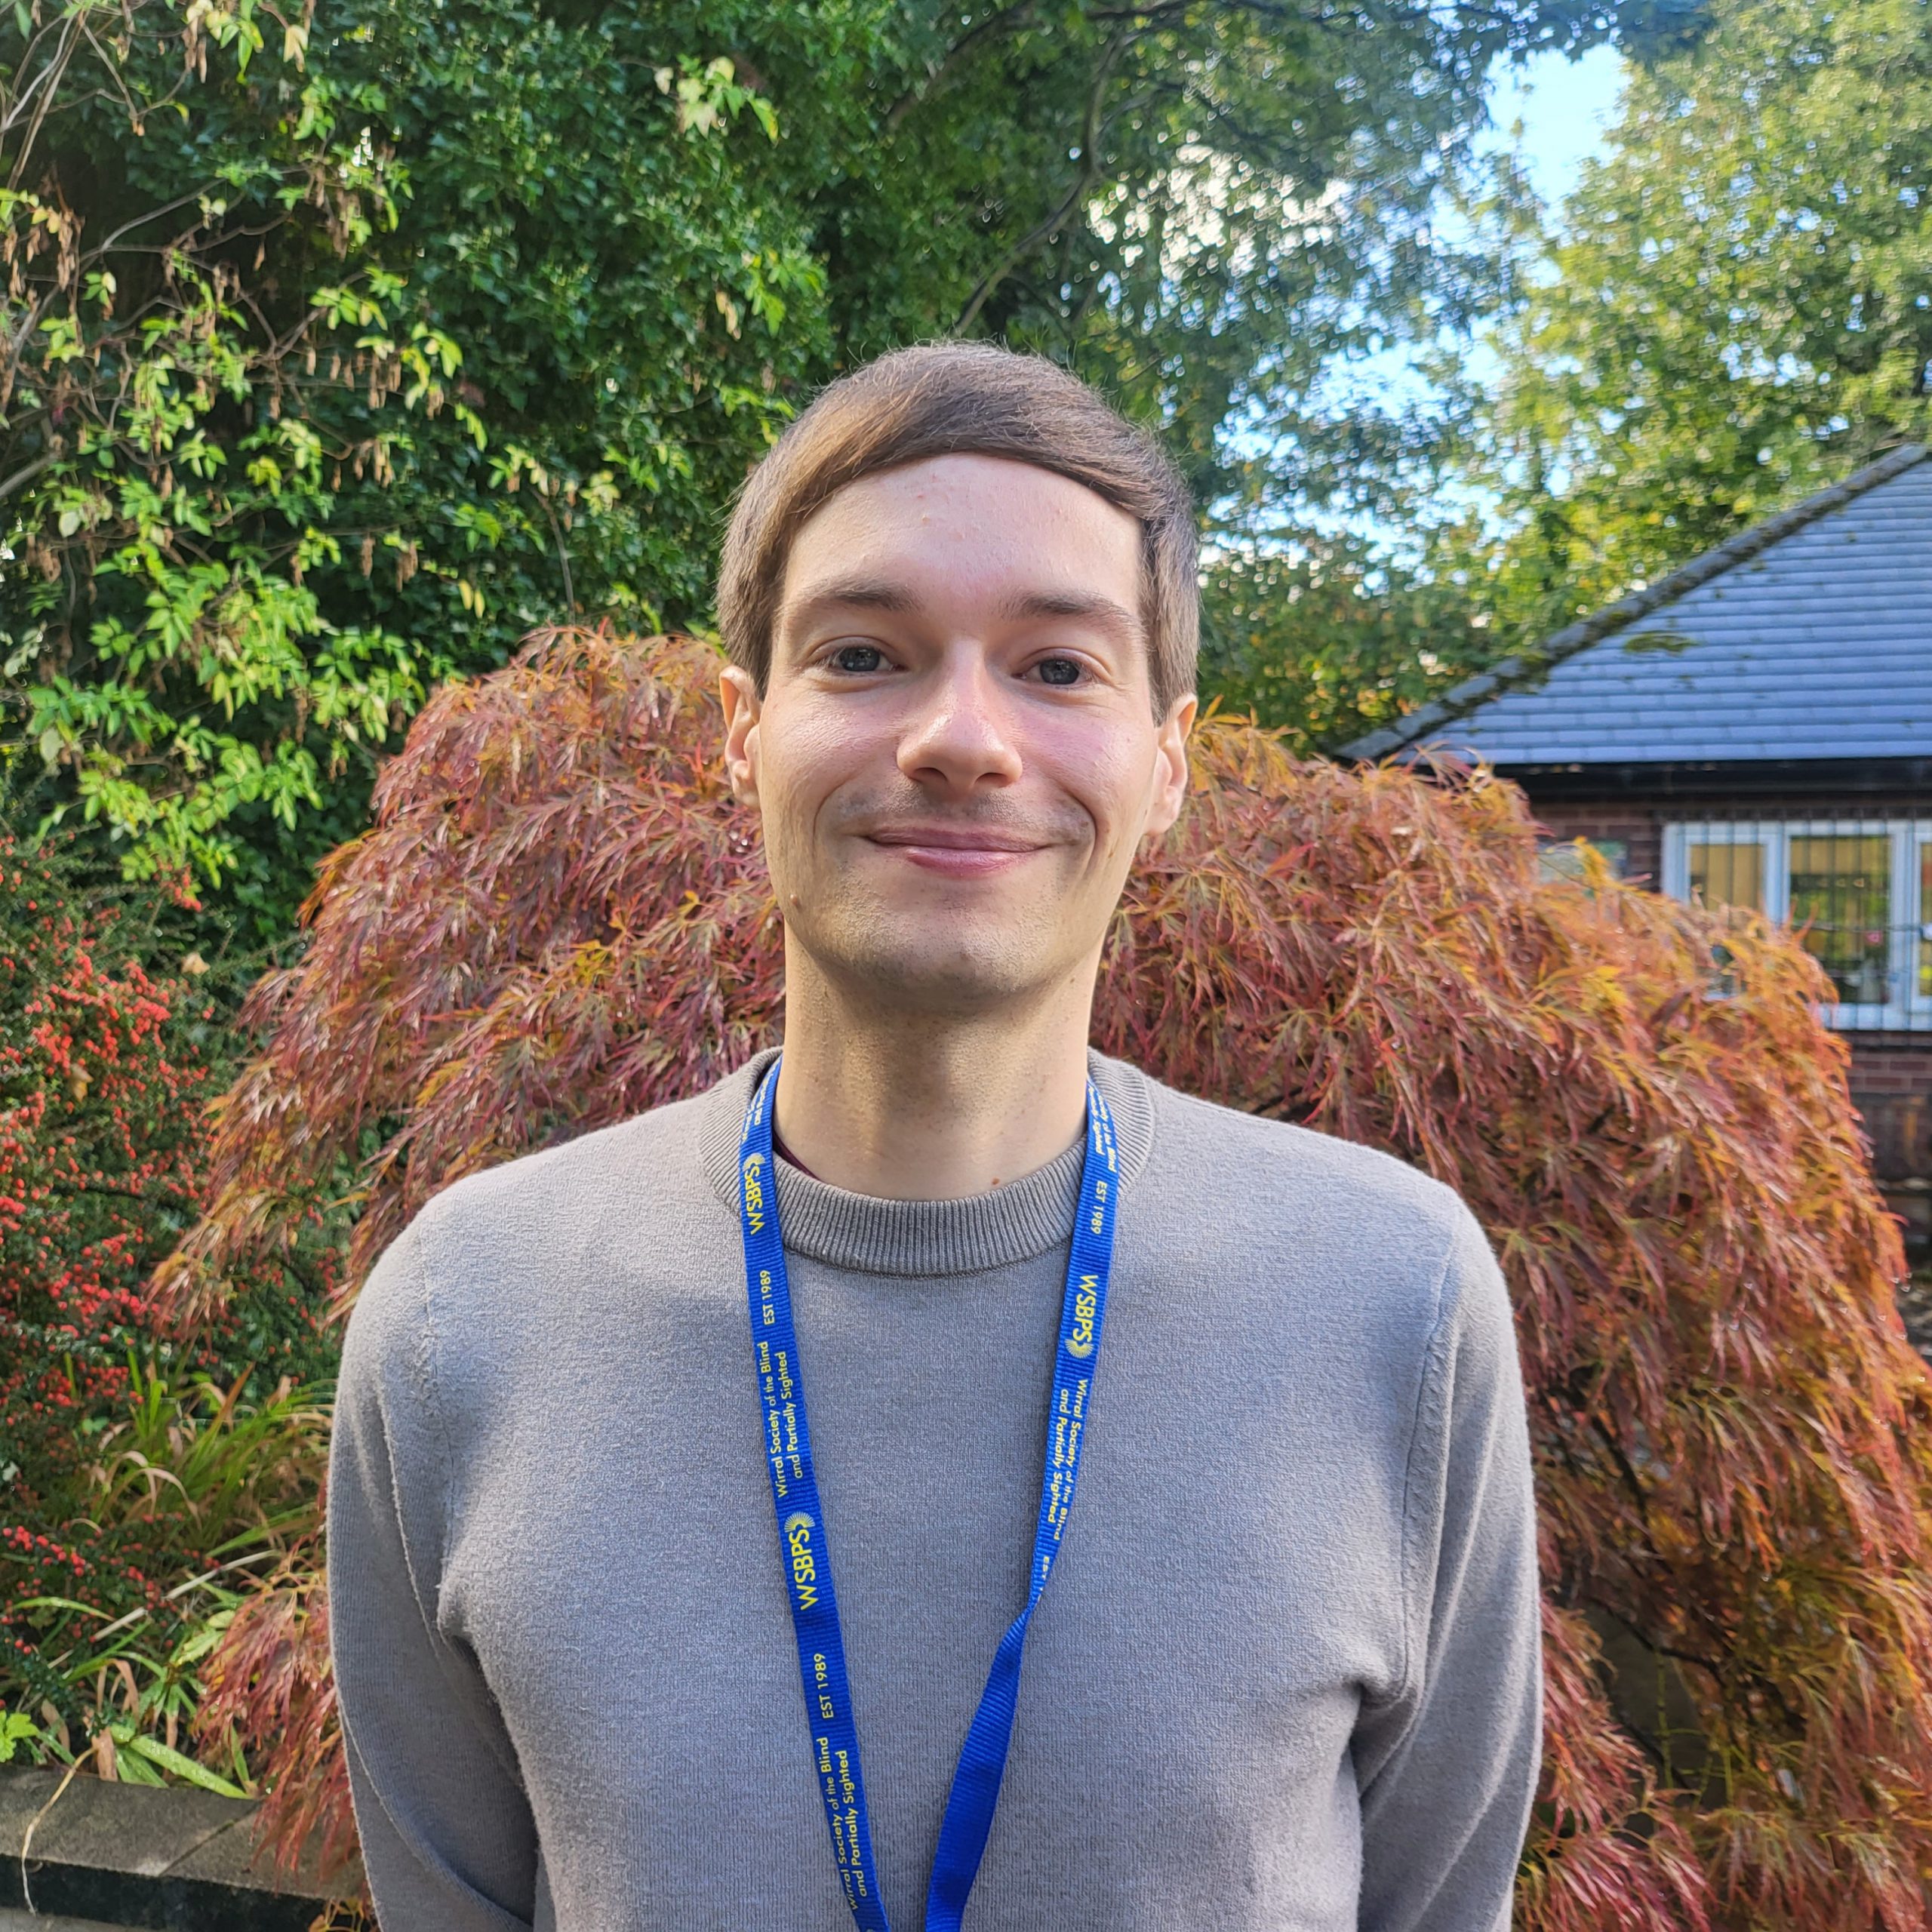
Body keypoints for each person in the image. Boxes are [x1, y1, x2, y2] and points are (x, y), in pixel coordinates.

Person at [327, 340, 1543, 1932]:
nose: (959, 736)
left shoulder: (1394, 1303)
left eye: (1056, 666)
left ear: (1166, 760)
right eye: (863, 653)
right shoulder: (458, 1323)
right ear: (740, 731)